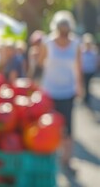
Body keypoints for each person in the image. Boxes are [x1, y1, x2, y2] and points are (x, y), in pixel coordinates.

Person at [39, 10, 83, 175]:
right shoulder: (48, 42)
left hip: (68, 91)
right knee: (49, 127)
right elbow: (41, 63)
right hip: (50, 91)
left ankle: (67, 160)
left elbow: (78, 67)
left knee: (68, 128)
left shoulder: (76, 44)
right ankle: (52, 159)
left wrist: (79, 87)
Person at [80, 33, 98, 108]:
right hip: (83, 70)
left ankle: (86, 97)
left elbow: (96, 61)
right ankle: (85, 96)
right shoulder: (81, 51)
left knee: (87, 84)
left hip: (90, 71)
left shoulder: (94, 52)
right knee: (85, 84)